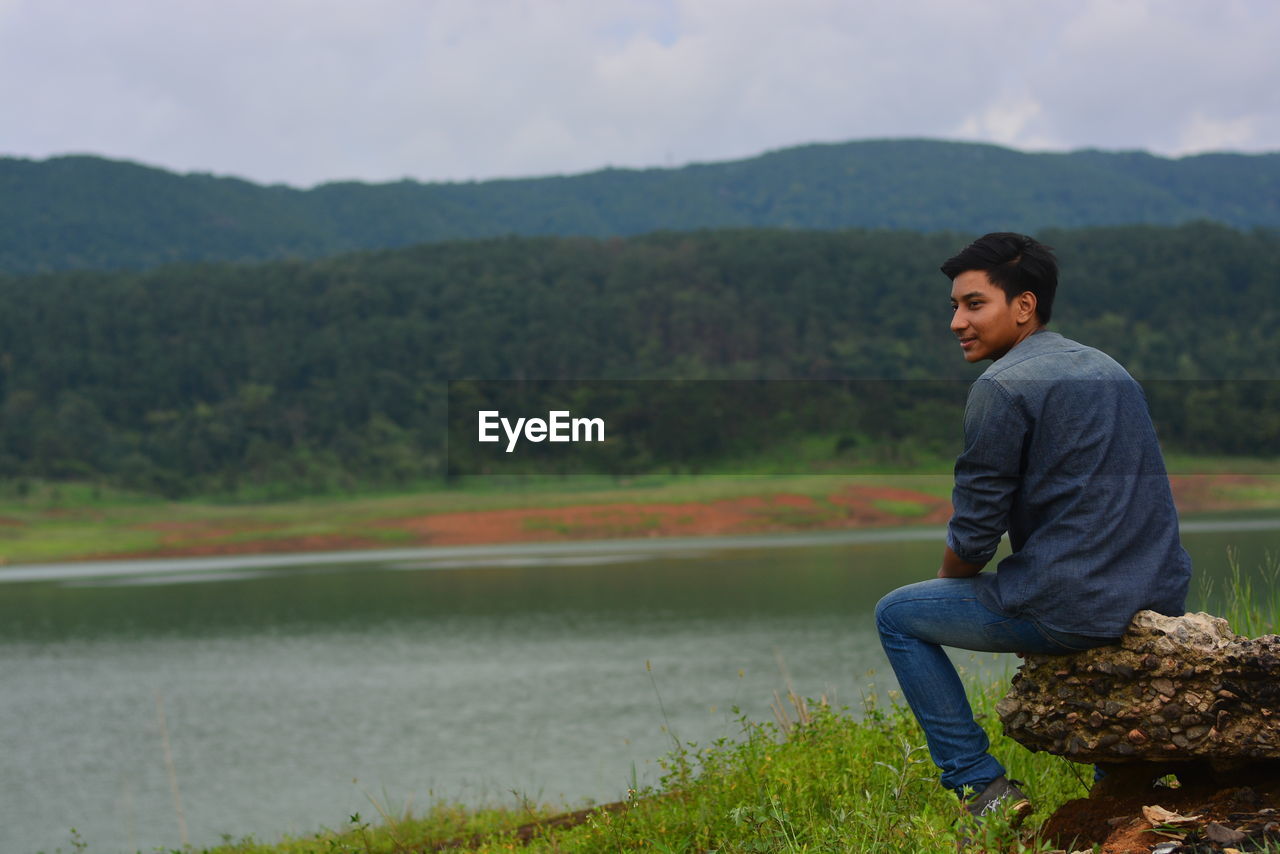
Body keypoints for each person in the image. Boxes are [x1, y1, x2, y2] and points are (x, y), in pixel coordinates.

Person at [874, 232, 1192, 834]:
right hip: (1157, 596)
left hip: (1073, 607)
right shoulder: (1110, 369)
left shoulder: (1001, 388)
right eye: (954, 307)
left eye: (973, 304)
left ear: (1024, 306)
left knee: (898, 615)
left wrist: (952, 587)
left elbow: (973, 536)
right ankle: (1116, 798)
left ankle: (981, 785)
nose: (956, 322)